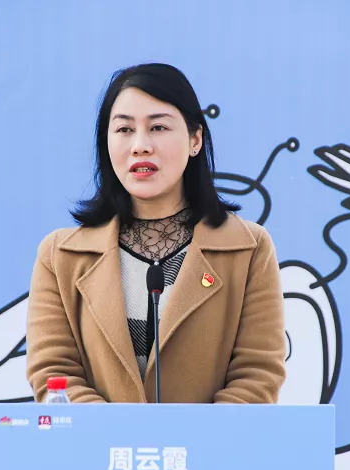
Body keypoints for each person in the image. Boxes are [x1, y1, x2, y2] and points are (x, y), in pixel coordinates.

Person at [25, 63, 286, 403]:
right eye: (124, 129)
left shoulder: (248, 249)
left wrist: (190, 438)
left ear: (195, 139)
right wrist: (117, 434)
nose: (140, 145)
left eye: (158, 127)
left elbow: (257, 376)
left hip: (211, 440)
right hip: (97, 440)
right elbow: (54, 373)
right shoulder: (60, 256)